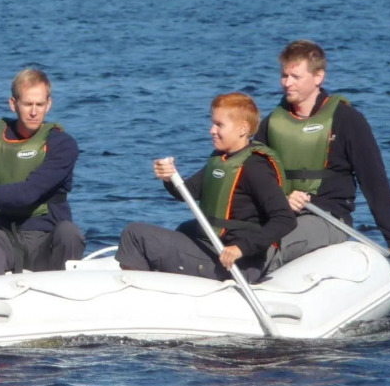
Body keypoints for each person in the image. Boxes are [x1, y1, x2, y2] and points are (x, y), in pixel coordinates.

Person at [255, 39, 390, 271]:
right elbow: (255, 176)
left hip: (328, 218)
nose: (287, 83)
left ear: (318, 77)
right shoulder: (272, 123)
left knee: (269, 244)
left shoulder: (347, 120)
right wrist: (281, 198)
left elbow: (374, 182)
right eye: (284, 76)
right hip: (282, 211)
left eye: (295, 77)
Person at [116, 93, 297, 283]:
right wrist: (169, 178)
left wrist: (240, 248)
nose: (212, 130)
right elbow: (187, 193)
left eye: (219, 125)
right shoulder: (222, 159)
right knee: (185, 228)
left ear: (242, 129)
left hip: (235, 264)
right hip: (213, 247)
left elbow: (285, 219)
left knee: (134, 234)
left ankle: (136, 291)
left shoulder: (255, 168)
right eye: (213, 123)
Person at [0, 68, 85, 276]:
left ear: (48, 105)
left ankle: (64, 288)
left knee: (70, 233)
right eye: (27, 104)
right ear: (13, 104)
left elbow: (28, 193)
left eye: (39, 105)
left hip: (47, 236)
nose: (34, 112)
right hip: (4, 234)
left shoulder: (62, 144)